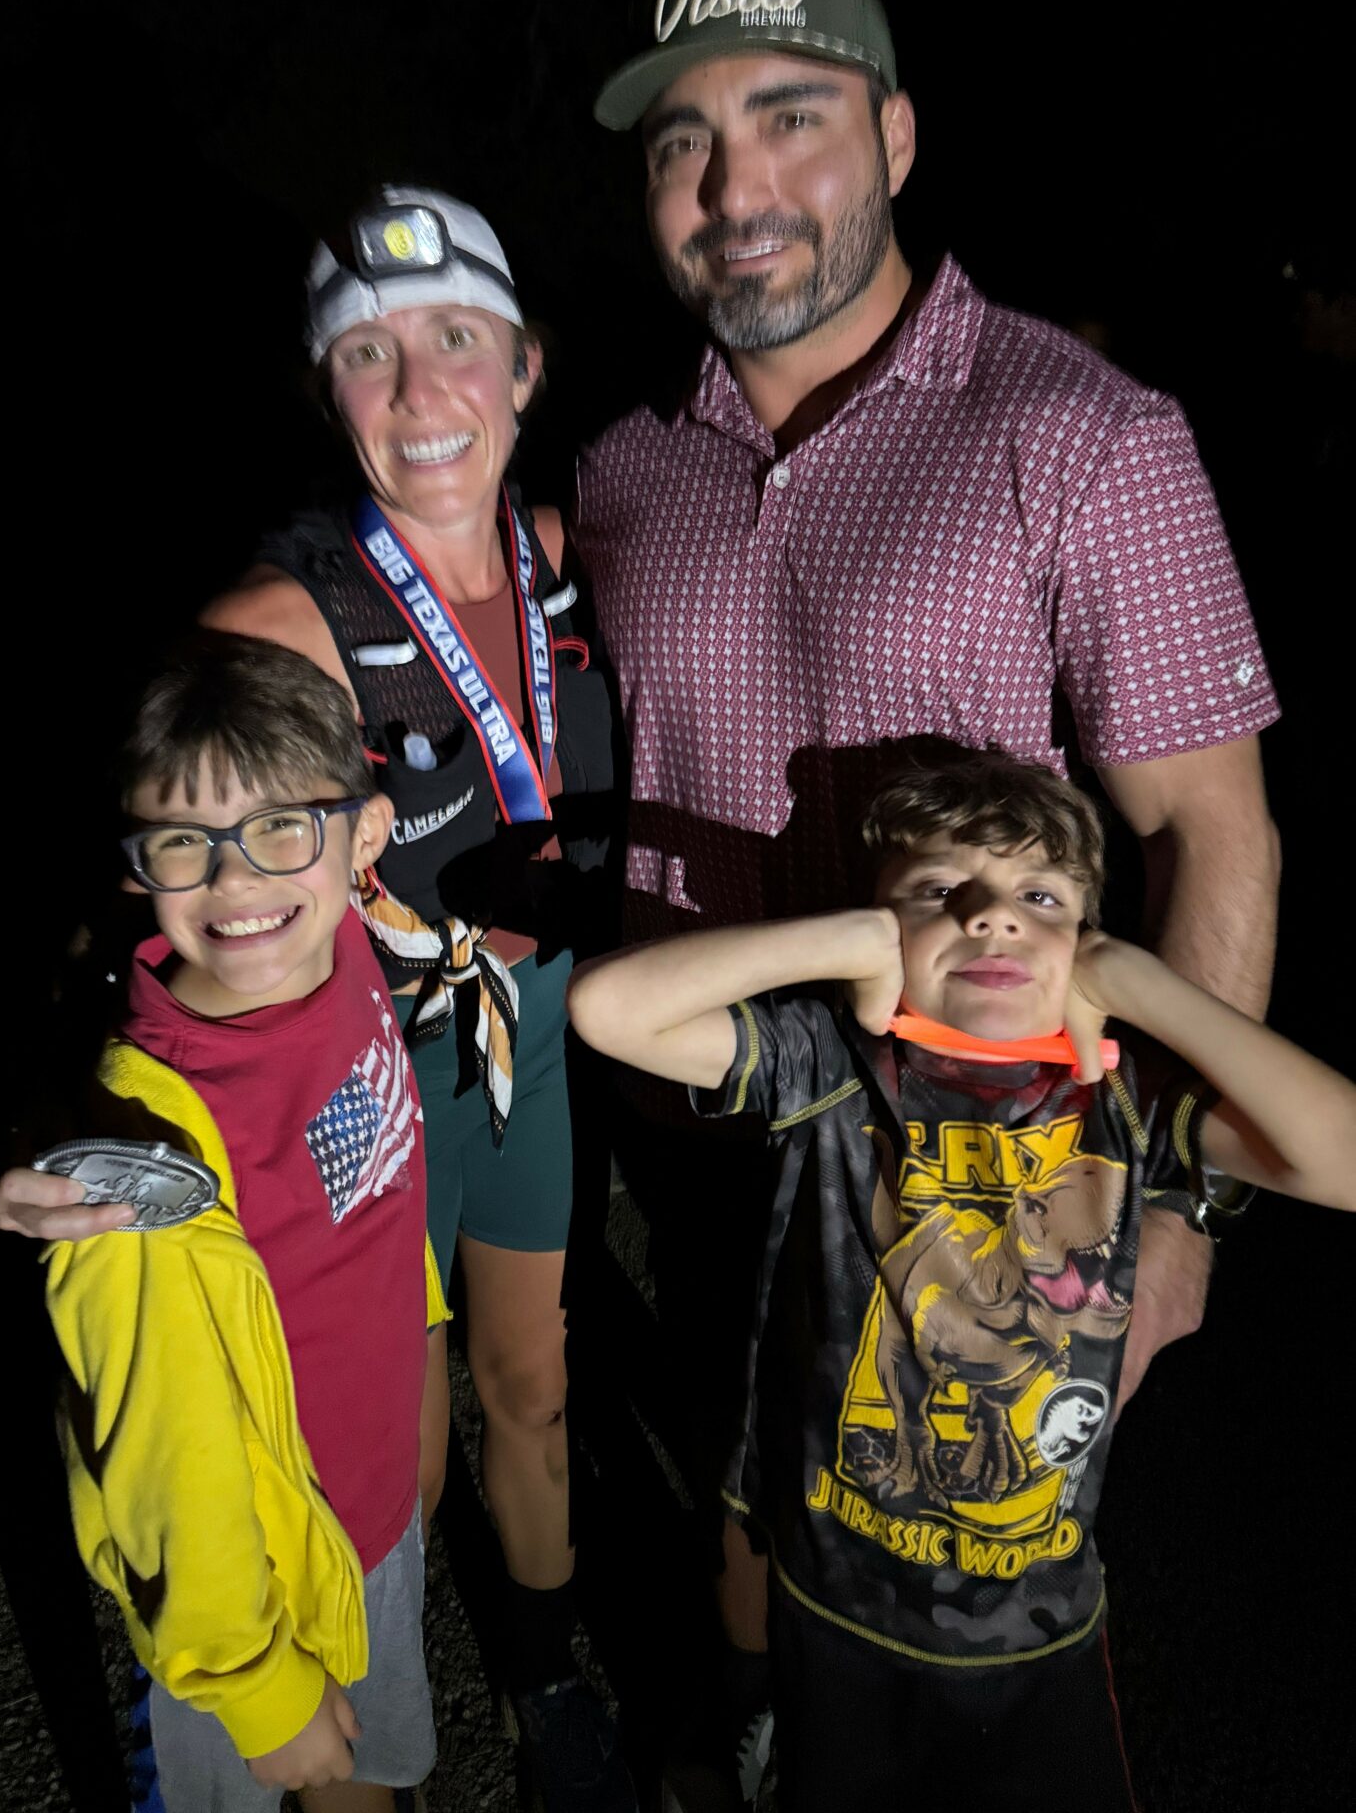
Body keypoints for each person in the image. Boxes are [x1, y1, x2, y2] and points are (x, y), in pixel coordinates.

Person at [578, 0, 1281, 1795]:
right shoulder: (626, 471)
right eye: (682, 142)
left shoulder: (1084, 437)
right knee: (747, 1496)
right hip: (708, 1130)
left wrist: (1179, 1220)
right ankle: (755, 1721)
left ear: (896, 136)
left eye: (790, 119)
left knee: (978, 1614)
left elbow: (1211, 829)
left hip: (983, 1182)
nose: (736, 188)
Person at [0, 190, 631, 1812]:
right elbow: (155, 903)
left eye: (457, 340)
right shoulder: (275, 625)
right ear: (325, 388)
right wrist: (77, 1125)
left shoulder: (571, 557)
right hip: (368, 1076)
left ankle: (544, 1679)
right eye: (368, 354)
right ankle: (329, 1718)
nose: (420, 393)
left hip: (534, 1037)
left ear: (526, 368)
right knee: (385, 1448)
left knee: (536, 1387)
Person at [565, 751, 1356, 1811]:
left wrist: (1137, 981)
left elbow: (1341, 1154)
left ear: (1085, 944)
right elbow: (607, 1008)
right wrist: (850, 943)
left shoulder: (1123, 1106)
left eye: (1042, 899)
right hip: (835, 1612)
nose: (990, 917)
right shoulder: (834, 1067)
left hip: (1037, 1638)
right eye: (938, 892)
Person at [43, 629, 446, 1811]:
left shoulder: (349, 947)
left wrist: (425, 1366)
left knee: (368, 1775)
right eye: (186, 841)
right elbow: (161, 1451)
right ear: (139, 860)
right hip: (241, 1592)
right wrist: (257, 1683)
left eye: (282, 826)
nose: (237, 882)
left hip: (372, 1511)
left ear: (365, 838)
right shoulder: (146, 1143)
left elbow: (383, 1182)